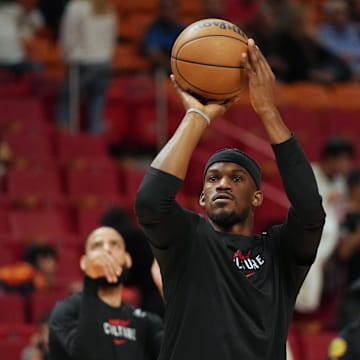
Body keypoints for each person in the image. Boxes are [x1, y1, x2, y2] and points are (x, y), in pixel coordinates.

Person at [134, 34, 325, 359]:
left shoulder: (279, 253)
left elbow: (310, 212)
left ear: (257, 198)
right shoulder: (188, 240)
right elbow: (151, 203)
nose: (222, 183)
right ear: (203, 198)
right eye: (212, 178)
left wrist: (267, 111)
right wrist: (197, 117)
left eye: (236, 178)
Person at [48, 226, 163, 360]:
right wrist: (91, 281)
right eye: (97, 246)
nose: (107, 250)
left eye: (115, 244)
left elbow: (183, 352)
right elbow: (85, 354)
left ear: (127, 260)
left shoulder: (146, 322)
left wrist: (168, 292)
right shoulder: (67, 311)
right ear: (84, 263)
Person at [295, 138, 355, 315]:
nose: (348, 166)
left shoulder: (340, 182)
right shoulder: (308, 174)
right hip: (308, 234)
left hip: (331, 239)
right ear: (330, 159)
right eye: (345, 161)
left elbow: (341, 211)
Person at [57, 0, 117, 133]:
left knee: (68, 104)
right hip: (103, 63)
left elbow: (68, 36)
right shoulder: (107, 8)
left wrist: (66, 57)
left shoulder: (76, 7)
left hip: (81, 63)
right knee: (96, 111)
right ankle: (94, 147)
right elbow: (112, 39)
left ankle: (67, 142)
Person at [141, 0, 184, 74]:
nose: (168, 12)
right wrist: (171, 66)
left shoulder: (183, 29)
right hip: (159, 69)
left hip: (181, 66)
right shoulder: (154, 29)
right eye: (165, 9)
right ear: (160, 11)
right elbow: (153, 52)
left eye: (172, 8)